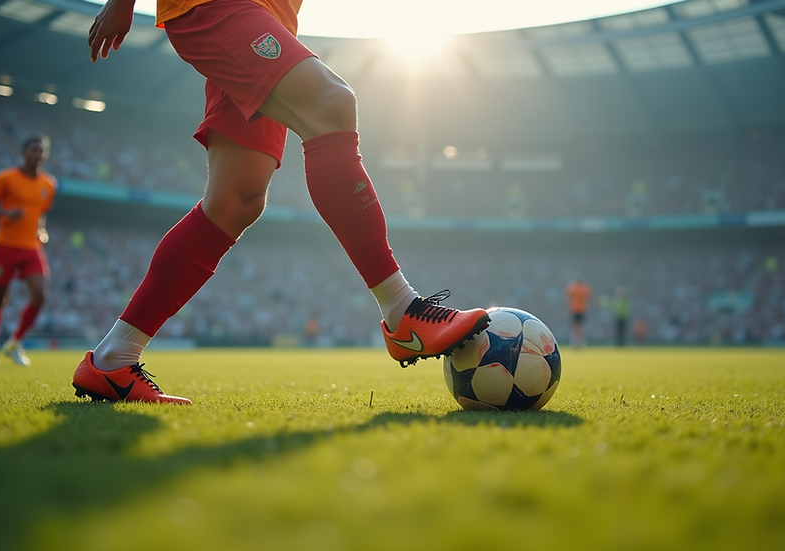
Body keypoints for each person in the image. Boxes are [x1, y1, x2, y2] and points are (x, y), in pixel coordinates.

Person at [72, 0, 491, 404]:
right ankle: (402, 310)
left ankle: (113, 360)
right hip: (217, 6)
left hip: (266, 18)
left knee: (236, 201)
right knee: (332, 103)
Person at [0, 136, 57, 367]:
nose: (38, 155)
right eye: (33, 150)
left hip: (31, 246)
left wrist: (41, 229)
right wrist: (6, 213)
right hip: (6, 245)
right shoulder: (6, 178)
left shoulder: (49, 184)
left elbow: (41, 211)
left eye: (41, 151)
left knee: (40, 295)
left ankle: (14, 343)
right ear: (24, 152)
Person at [565, 275, 592, 349]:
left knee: (581, 327)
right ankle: (574, 343)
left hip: (582, 310)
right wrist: (568, 306)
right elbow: (568, 298)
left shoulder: (584, 288)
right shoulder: (572, 288)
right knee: (575, 327)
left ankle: (581, 343)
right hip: (574, 309)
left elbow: (589, 297)